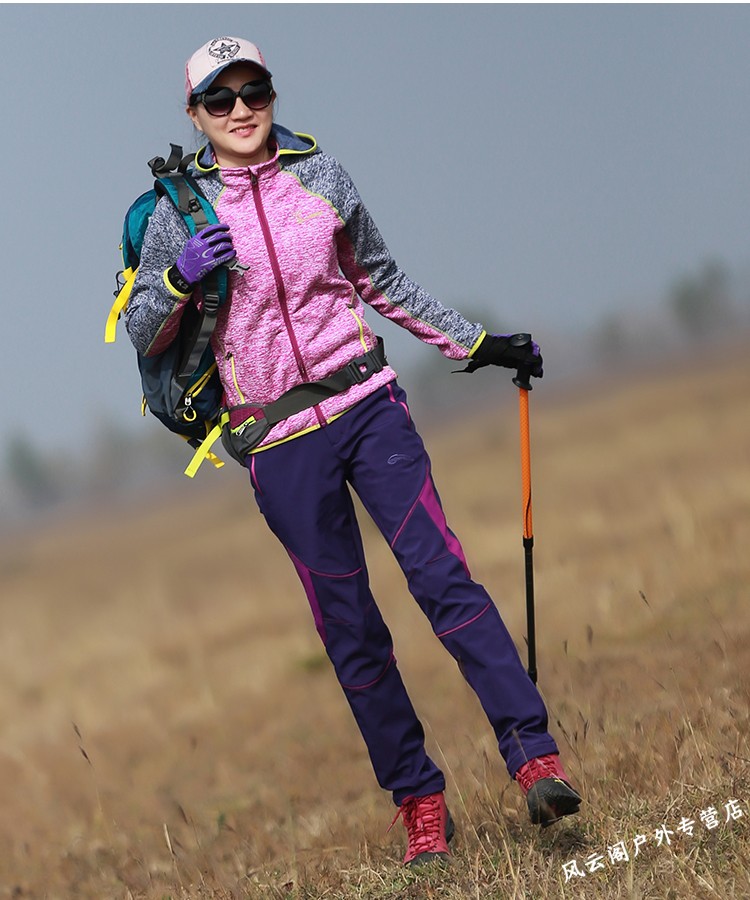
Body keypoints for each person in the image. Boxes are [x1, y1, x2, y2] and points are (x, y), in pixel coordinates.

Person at [125, 36, 582, 867]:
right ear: (194, 113)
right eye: (220, 99)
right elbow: (143, 333)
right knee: (351, 632)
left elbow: (383, 283)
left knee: (445, 581)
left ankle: (535, 760)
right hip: (278, 442)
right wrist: (177, 278)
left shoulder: (323, 175)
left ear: (272, 93)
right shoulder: (173, 216)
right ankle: (420, 805)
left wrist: (478, 342)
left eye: (253, 91)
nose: (240, 110)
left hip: (369, 407)